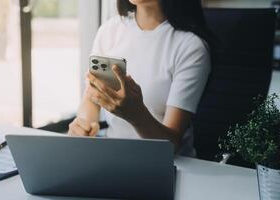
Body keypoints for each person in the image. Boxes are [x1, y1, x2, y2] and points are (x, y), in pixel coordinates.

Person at [68, 0, 213, 156]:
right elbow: (91, 99)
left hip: (169, 167)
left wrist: (136, 114)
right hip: (114, 159)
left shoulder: (190, 46)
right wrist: (83, 125)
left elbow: (171, 145)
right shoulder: (110, 31)